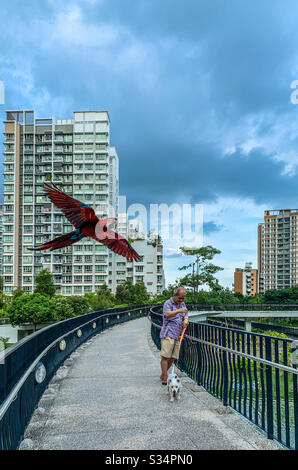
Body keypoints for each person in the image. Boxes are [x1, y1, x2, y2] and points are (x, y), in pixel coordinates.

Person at [160, 287, 189, 385]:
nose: (181, 300)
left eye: (183, 298)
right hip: (168, 332)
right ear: (175, 295)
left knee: (173, 357)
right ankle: (165, 377)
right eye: (180, 298)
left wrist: (185, 319)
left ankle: (163, 374)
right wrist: (179, 311)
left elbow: (186, 313)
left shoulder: (182, 304)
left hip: (178, 334)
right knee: (165, 356)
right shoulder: (168, 303)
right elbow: (167, 314)